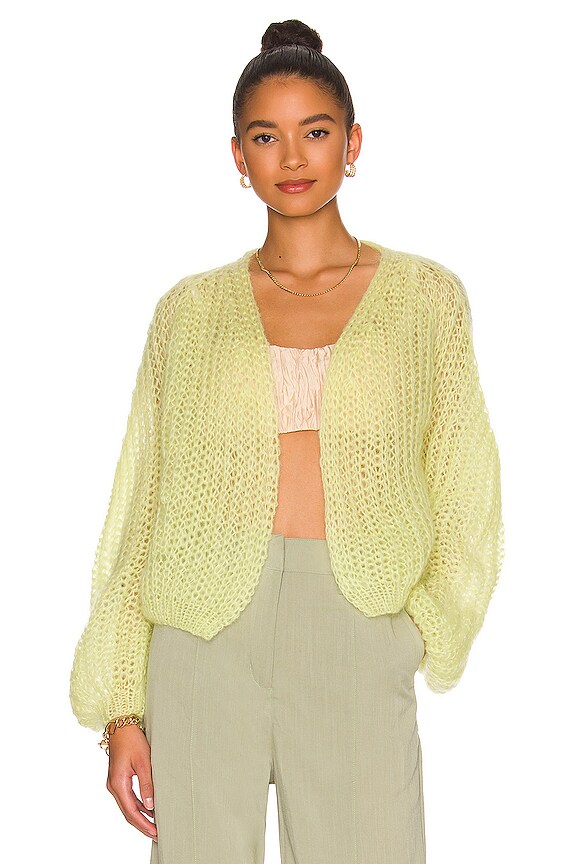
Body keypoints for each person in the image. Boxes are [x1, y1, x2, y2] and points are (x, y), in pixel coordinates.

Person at [69, 18, 504, 864]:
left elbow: (465, 485)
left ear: (353, 143)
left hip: (358, 623)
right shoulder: (188, 312)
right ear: (238, 155)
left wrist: (419, 628)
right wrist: (122, 709)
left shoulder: (425, 300)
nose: (293, 157)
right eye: (267, 137)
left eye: (317, 132)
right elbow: (141, 508)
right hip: (201, 633)